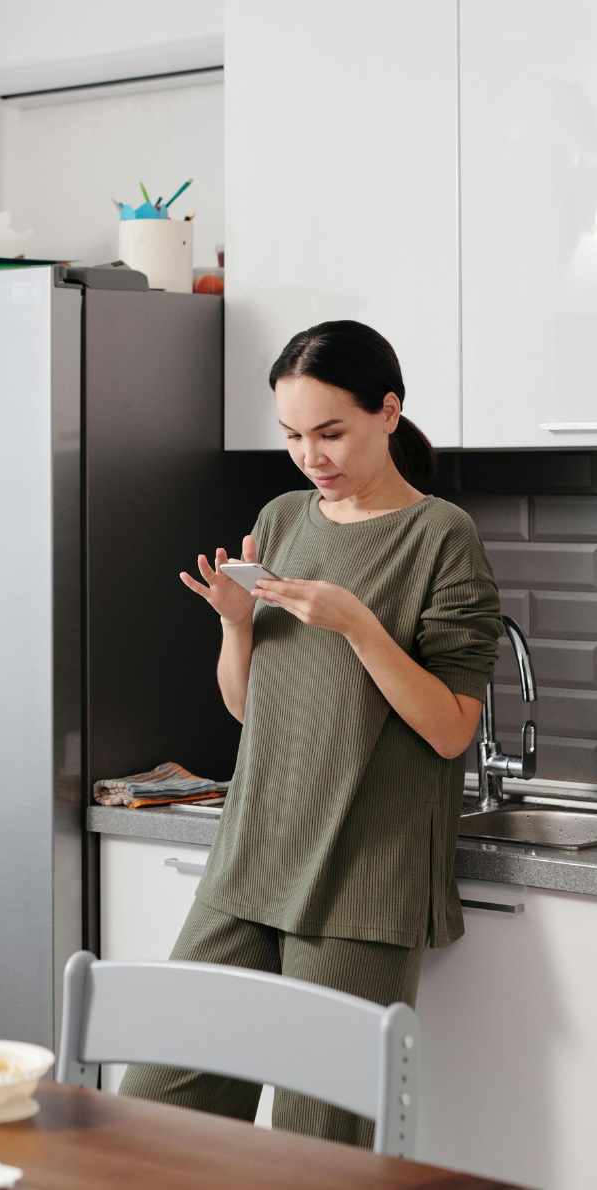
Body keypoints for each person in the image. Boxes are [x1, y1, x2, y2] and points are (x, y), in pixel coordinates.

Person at [120, 319, 503, 1149]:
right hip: (251, 858)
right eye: (292, 435)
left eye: (330, 432)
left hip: (360, 882)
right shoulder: (284, 517)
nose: (310, 456)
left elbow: (451, 730)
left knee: (317, 1149)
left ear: (388, 412)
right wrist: (235, 623)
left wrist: (359, 626)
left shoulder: (441, 537)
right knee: (152, 1112)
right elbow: (250, 709)